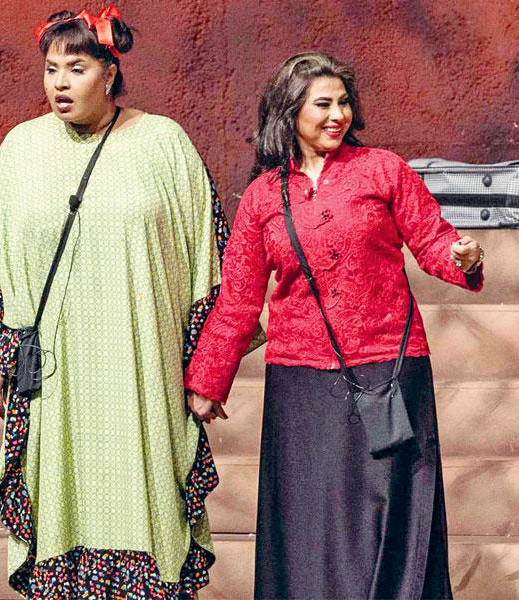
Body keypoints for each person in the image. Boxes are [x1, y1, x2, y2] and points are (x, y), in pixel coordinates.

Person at [0, 5, 263, 597]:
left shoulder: (163, 143)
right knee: (61, 504)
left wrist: (208, 371)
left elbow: (213, 262)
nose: (59, 83)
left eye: (77, 68)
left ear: (110, 73)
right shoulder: (19, 150)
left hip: (143, 375)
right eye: (51, 69)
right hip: (54, 382)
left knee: (149, 505)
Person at [184, 51, 484, 599]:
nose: (337, 115)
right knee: (310, 523)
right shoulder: (263, 197)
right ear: (290, 111)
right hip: (302, 384)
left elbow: (432, 239)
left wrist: (461, 257)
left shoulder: (382, 170)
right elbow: (238, 299)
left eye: (343, 102)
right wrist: (208, 380)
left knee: (392, 517)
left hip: (390, 371)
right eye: (323, 104)